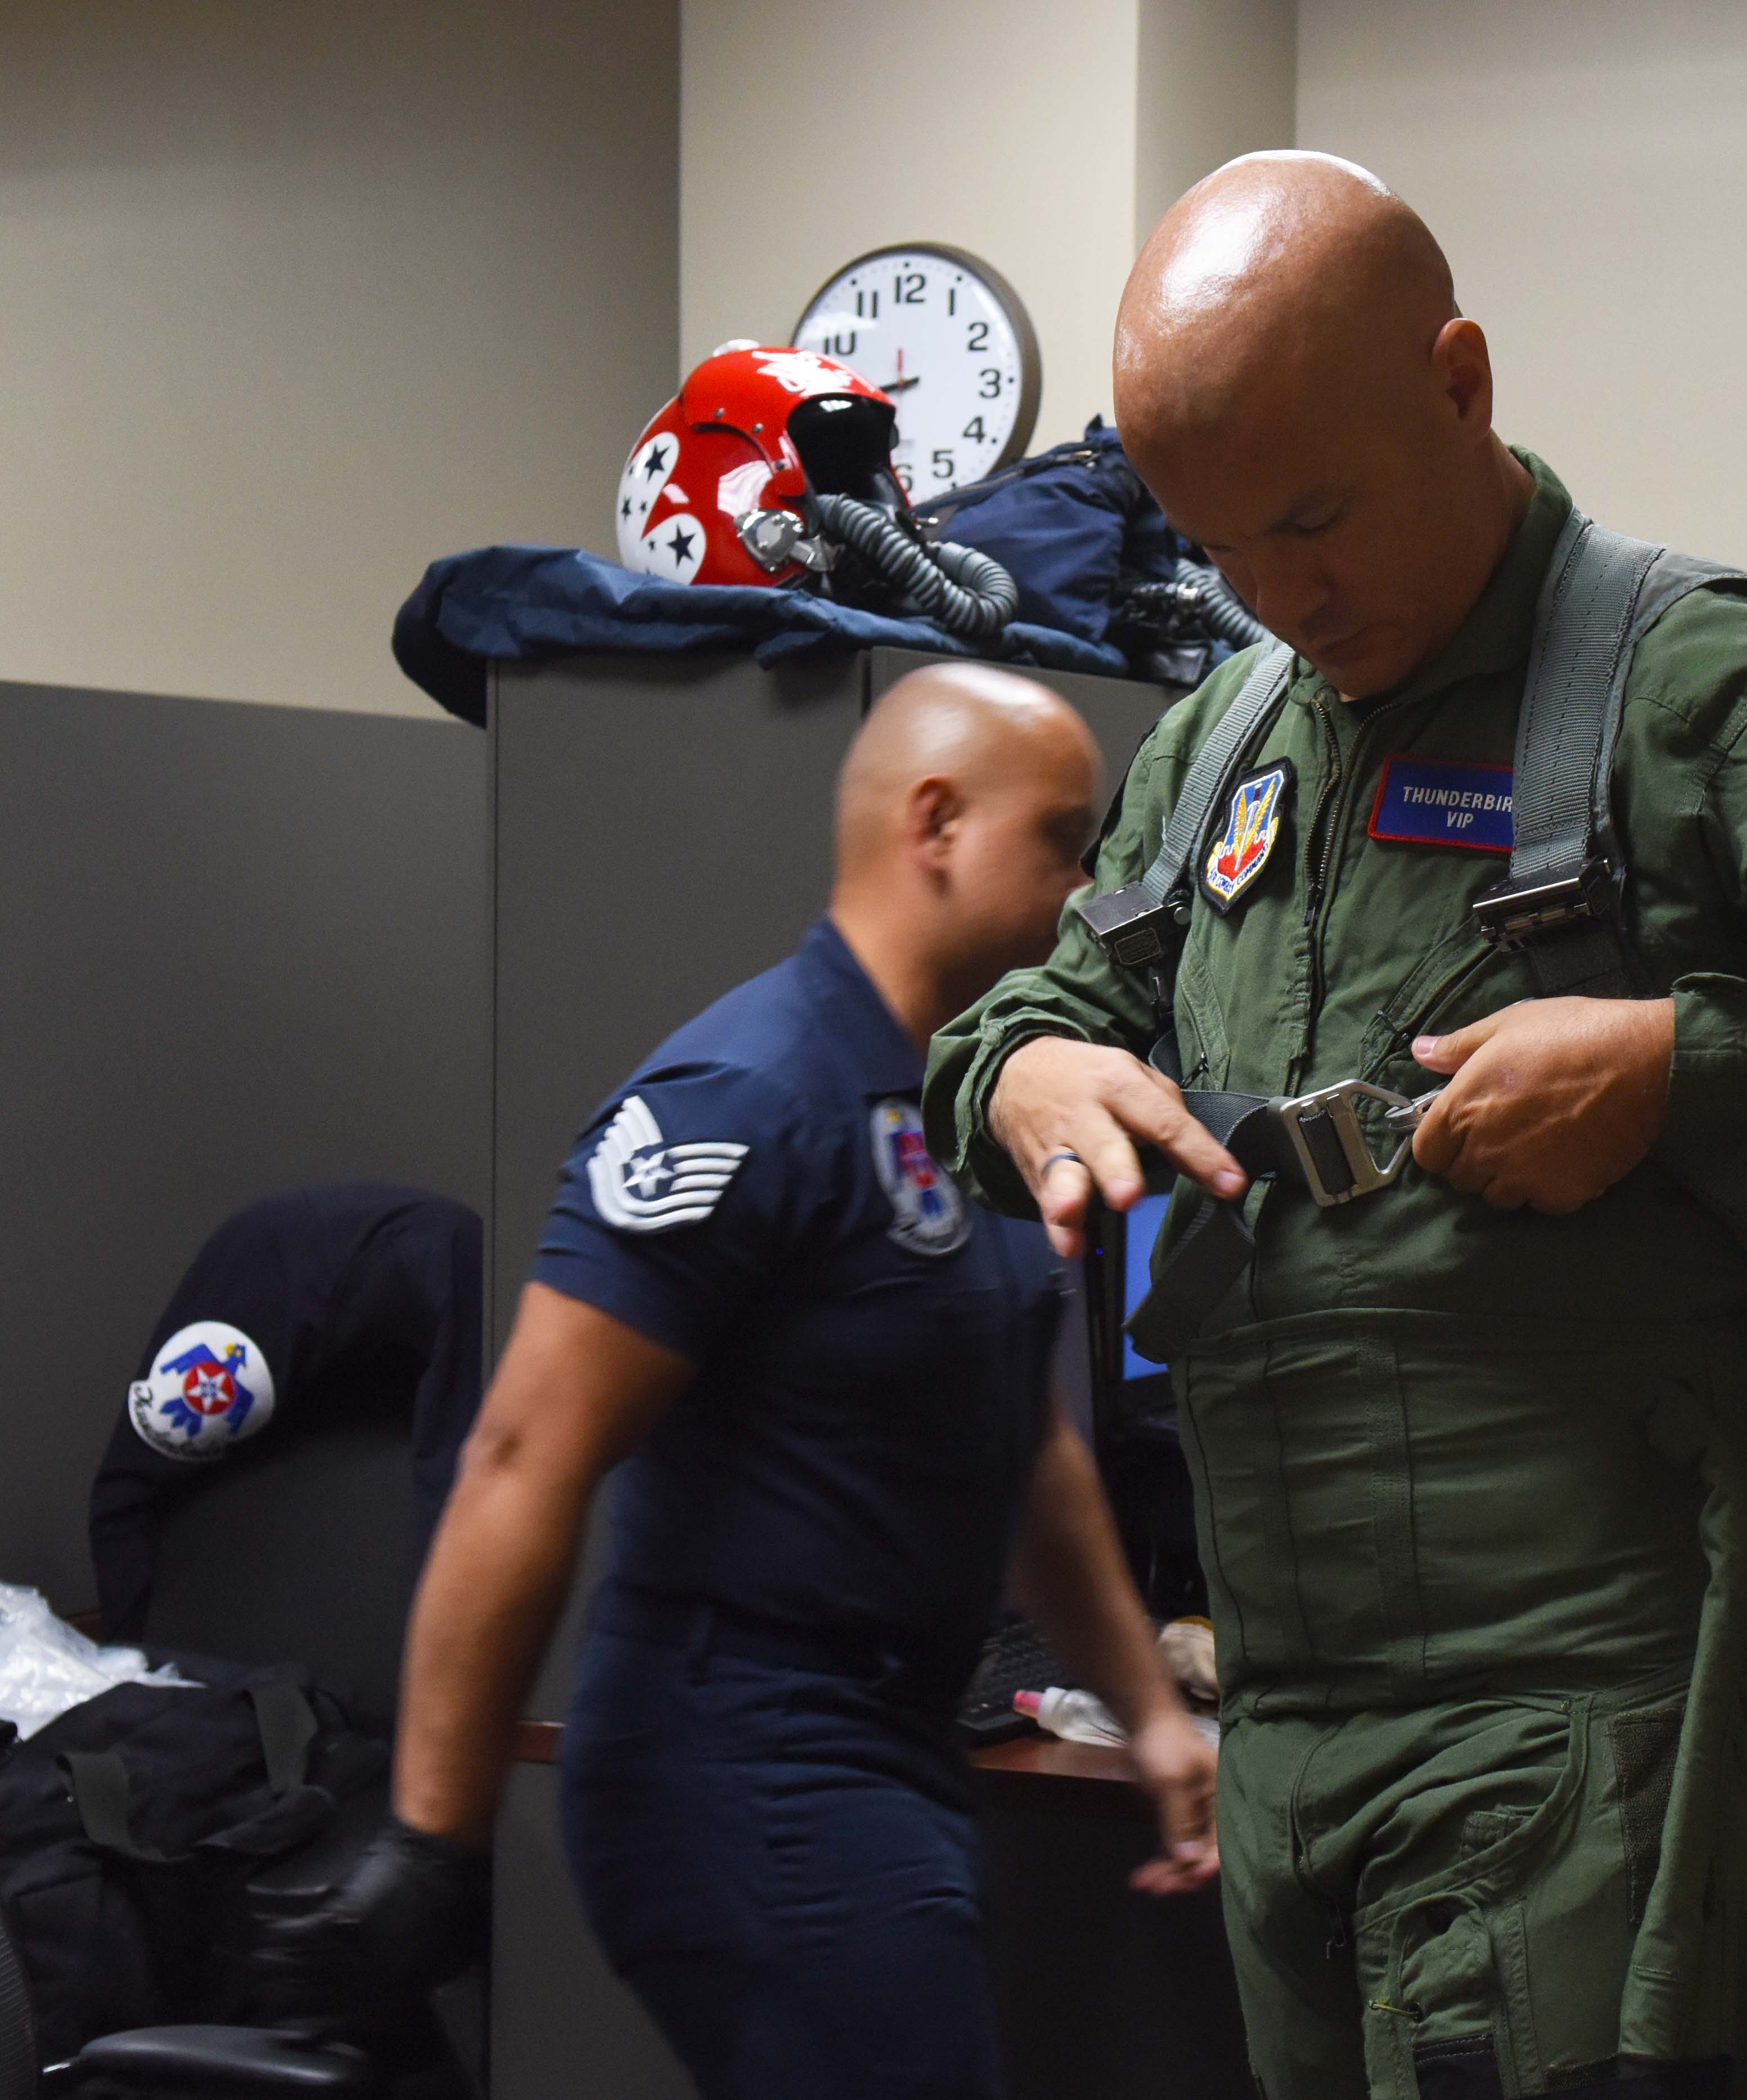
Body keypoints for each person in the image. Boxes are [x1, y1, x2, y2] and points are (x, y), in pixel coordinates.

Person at [922, 153, 1747, 2100]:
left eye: (1317, 519)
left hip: (1595, 1711)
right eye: (1218, 551)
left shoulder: (1696, 692)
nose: (1282, 597)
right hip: (1289, 1724)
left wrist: (1686, 1060)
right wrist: (1014, 1071)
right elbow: (1041, 1007)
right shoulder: (1221, 743)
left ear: (1460, 383)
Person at [255, 664, 1217, 2100]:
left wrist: (1144, 1705)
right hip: (742, 1756)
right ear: (937, 823)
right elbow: (527, 1454)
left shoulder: (948, 1115)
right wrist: (431, 1835)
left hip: (885, 1745)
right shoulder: (743, 1095)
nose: (1086, 888)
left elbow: (1024, 1447)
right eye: (1062, 841)